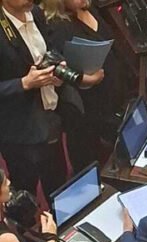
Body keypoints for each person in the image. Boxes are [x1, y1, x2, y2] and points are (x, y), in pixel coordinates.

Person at [0, 0, 87, 199]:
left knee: (58, 184)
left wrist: (58, 65)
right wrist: (24, 83)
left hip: (50, 116)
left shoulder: (36, 14)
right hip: (19, 130)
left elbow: (49, 49)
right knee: (25, 193)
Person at [41, 0, 123, 166]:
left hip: (109, 98)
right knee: (87, 159)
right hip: (83, 107)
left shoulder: (89, 9)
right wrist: (84, 79)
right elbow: (57, 68)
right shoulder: (56, 25)